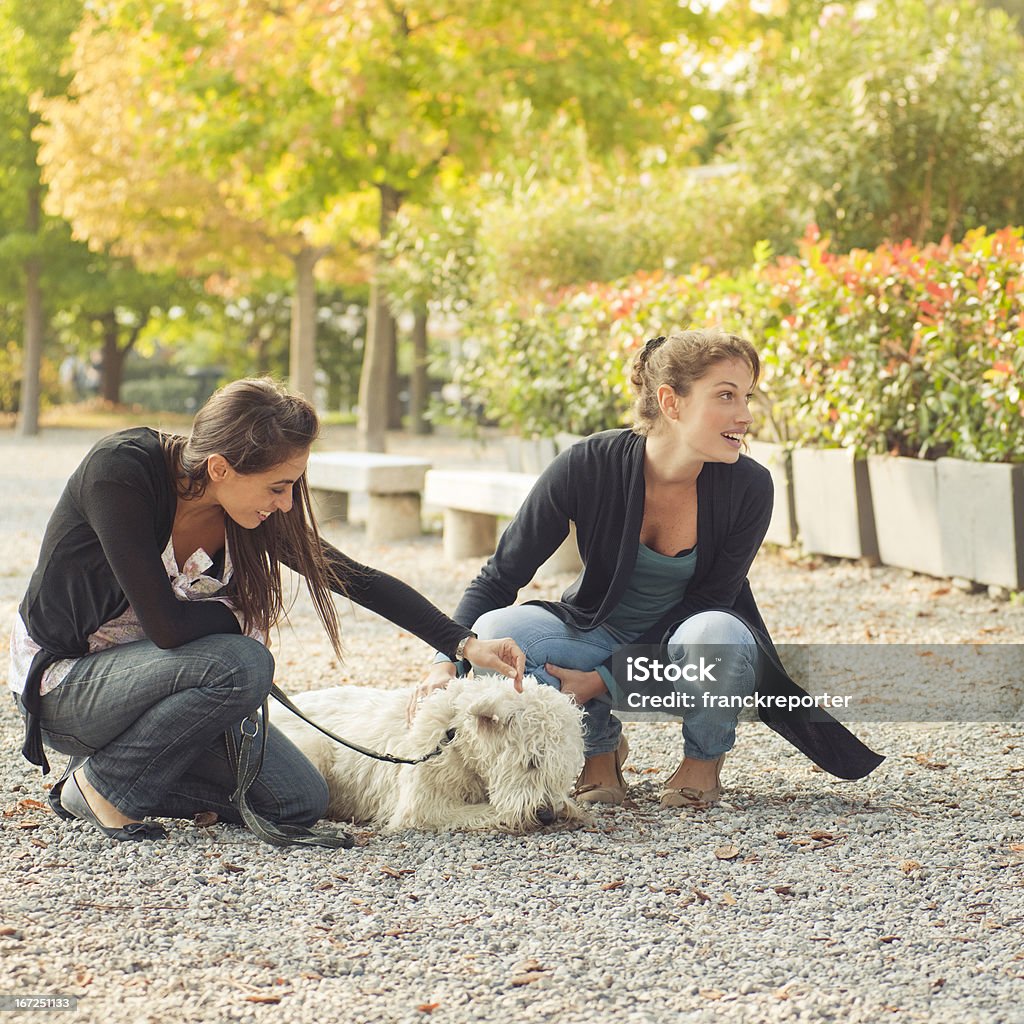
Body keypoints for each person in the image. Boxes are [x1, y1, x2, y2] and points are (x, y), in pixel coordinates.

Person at [9, 378, 524, 843]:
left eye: (293, 486)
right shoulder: (120, 473)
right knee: (244, 662)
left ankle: (111, 774)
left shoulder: (245, 509)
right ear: (219, 468)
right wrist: (238, 623)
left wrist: (464, 642)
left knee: (299, 800)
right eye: (278, 487)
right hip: (68, 689)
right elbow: (166, 626)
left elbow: (355, 578)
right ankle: (104, 784)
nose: (285, 503)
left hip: (167, 694)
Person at [414, 328, 883, 807]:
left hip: (686, 656)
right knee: (497, 628)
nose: (744, 416)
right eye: (725, 396)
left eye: (747, 397)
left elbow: (711, 601)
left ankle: (703, 761)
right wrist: (444, 660)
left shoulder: (750, 486)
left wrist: (605, 679)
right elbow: (499, 577)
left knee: (715, 632)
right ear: (671, 402)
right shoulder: (587, 465)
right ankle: (598, 751)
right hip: (593, 632)